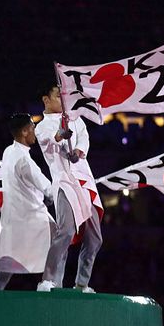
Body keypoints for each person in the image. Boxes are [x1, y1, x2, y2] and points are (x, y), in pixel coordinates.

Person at [35, 82, 103, 293]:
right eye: (58, 97)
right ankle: (48, 280)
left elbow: (84, 137)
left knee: (95, 238)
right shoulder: (41, 126)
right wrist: (60, 135)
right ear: (46, 100)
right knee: (65, 232)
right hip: (64, 182)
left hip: (85, 181)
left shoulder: (75, 118)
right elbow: (49, 140)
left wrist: (80, 151)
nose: (63, 102)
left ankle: (82, 283)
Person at [0, 113, 55, 290]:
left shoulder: (8, 152)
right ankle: (49, 285)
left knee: (7, 263)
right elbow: (47, 188)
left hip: (12, 217)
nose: (36, 132)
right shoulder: (25, 160)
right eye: (33, 128)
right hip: (31, 216)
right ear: (25, 131)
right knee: (59, 238)